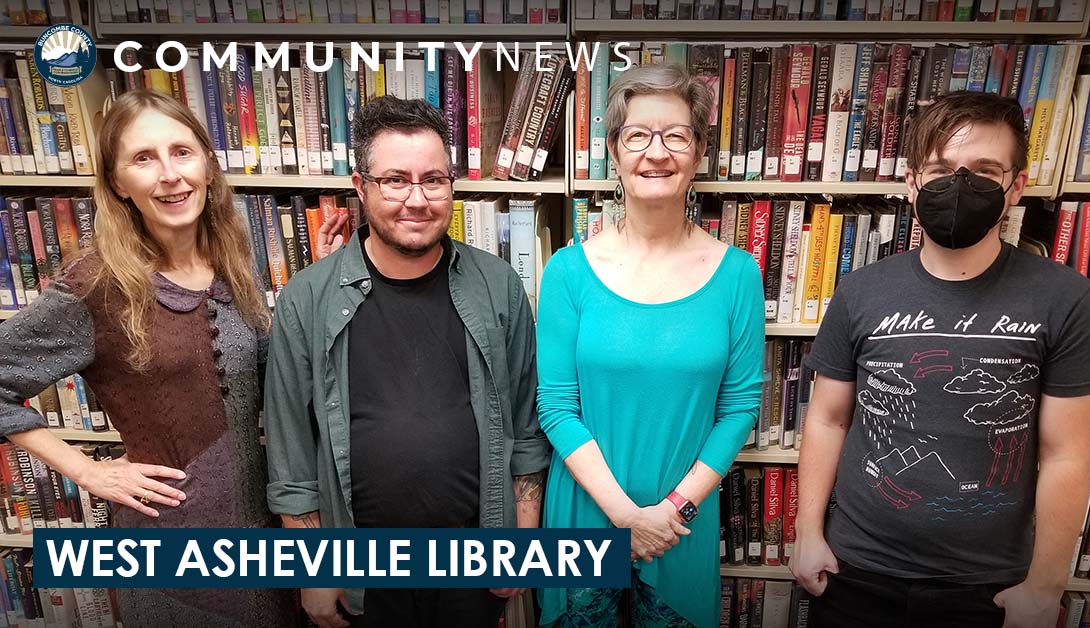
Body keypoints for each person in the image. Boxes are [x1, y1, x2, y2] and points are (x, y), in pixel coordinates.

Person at [789, 90, 1090, 628]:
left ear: (1017, 186)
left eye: (985, 170)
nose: (960, 185)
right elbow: (827, 417)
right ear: (912, 182)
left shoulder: (1064, 299)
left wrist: (1045, 586)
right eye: (941, 169)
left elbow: (1065, 455)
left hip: (989, 586)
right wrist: (807, 533)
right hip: (856, 570)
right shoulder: (861, 291)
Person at [0, 90, 298, 627]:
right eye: (143, 158)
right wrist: (85, 471)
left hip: (262, 535)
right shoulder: (97, 285)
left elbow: (273, 380)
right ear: (117, 185)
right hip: (168, 548)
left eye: (181, 152)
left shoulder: (234, 258)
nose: (169, 174)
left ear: (207, 163)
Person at [262, 95, 548, 628]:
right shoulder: (308, 299)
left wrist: (521, 541)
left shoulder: (498, 286)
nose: (417, 199)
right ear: (360, 187)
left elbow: (526, 429)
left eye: (433, 179)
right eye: (395, 180)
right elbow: (291, 452)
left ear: (451, 187)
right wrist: (313, 571)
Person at [537, 64, 765, 628]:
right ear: (614, 150)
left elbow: (738, 411)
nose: (656, 152)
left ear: (698, 152)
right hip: (586, 519)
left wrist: (669, 512)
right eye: (638, 135)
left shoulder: (738, 274)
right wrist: (625, 517)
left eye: (676, 136)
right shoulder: (568, 271)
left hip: (679, 528)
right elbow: (557, 407)